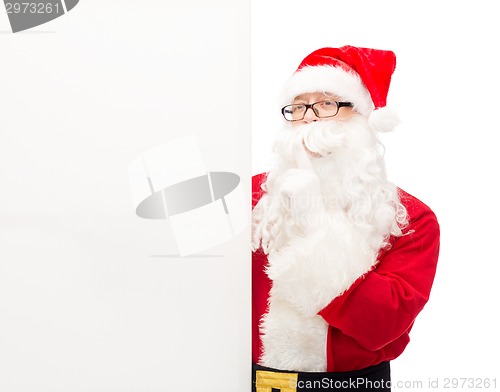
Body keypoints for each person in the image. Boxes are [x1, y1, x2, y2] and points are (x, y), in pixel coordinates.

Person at [251, 45, 440, 391]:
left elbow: (384, 324)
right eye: (298, 106)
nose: (308, 117)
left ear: (364, 119)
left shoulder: (410, 218)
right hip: (249, 379)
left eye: (327, 104)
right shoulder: (253, 197)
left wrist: (314, 224)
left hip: (352, 384)